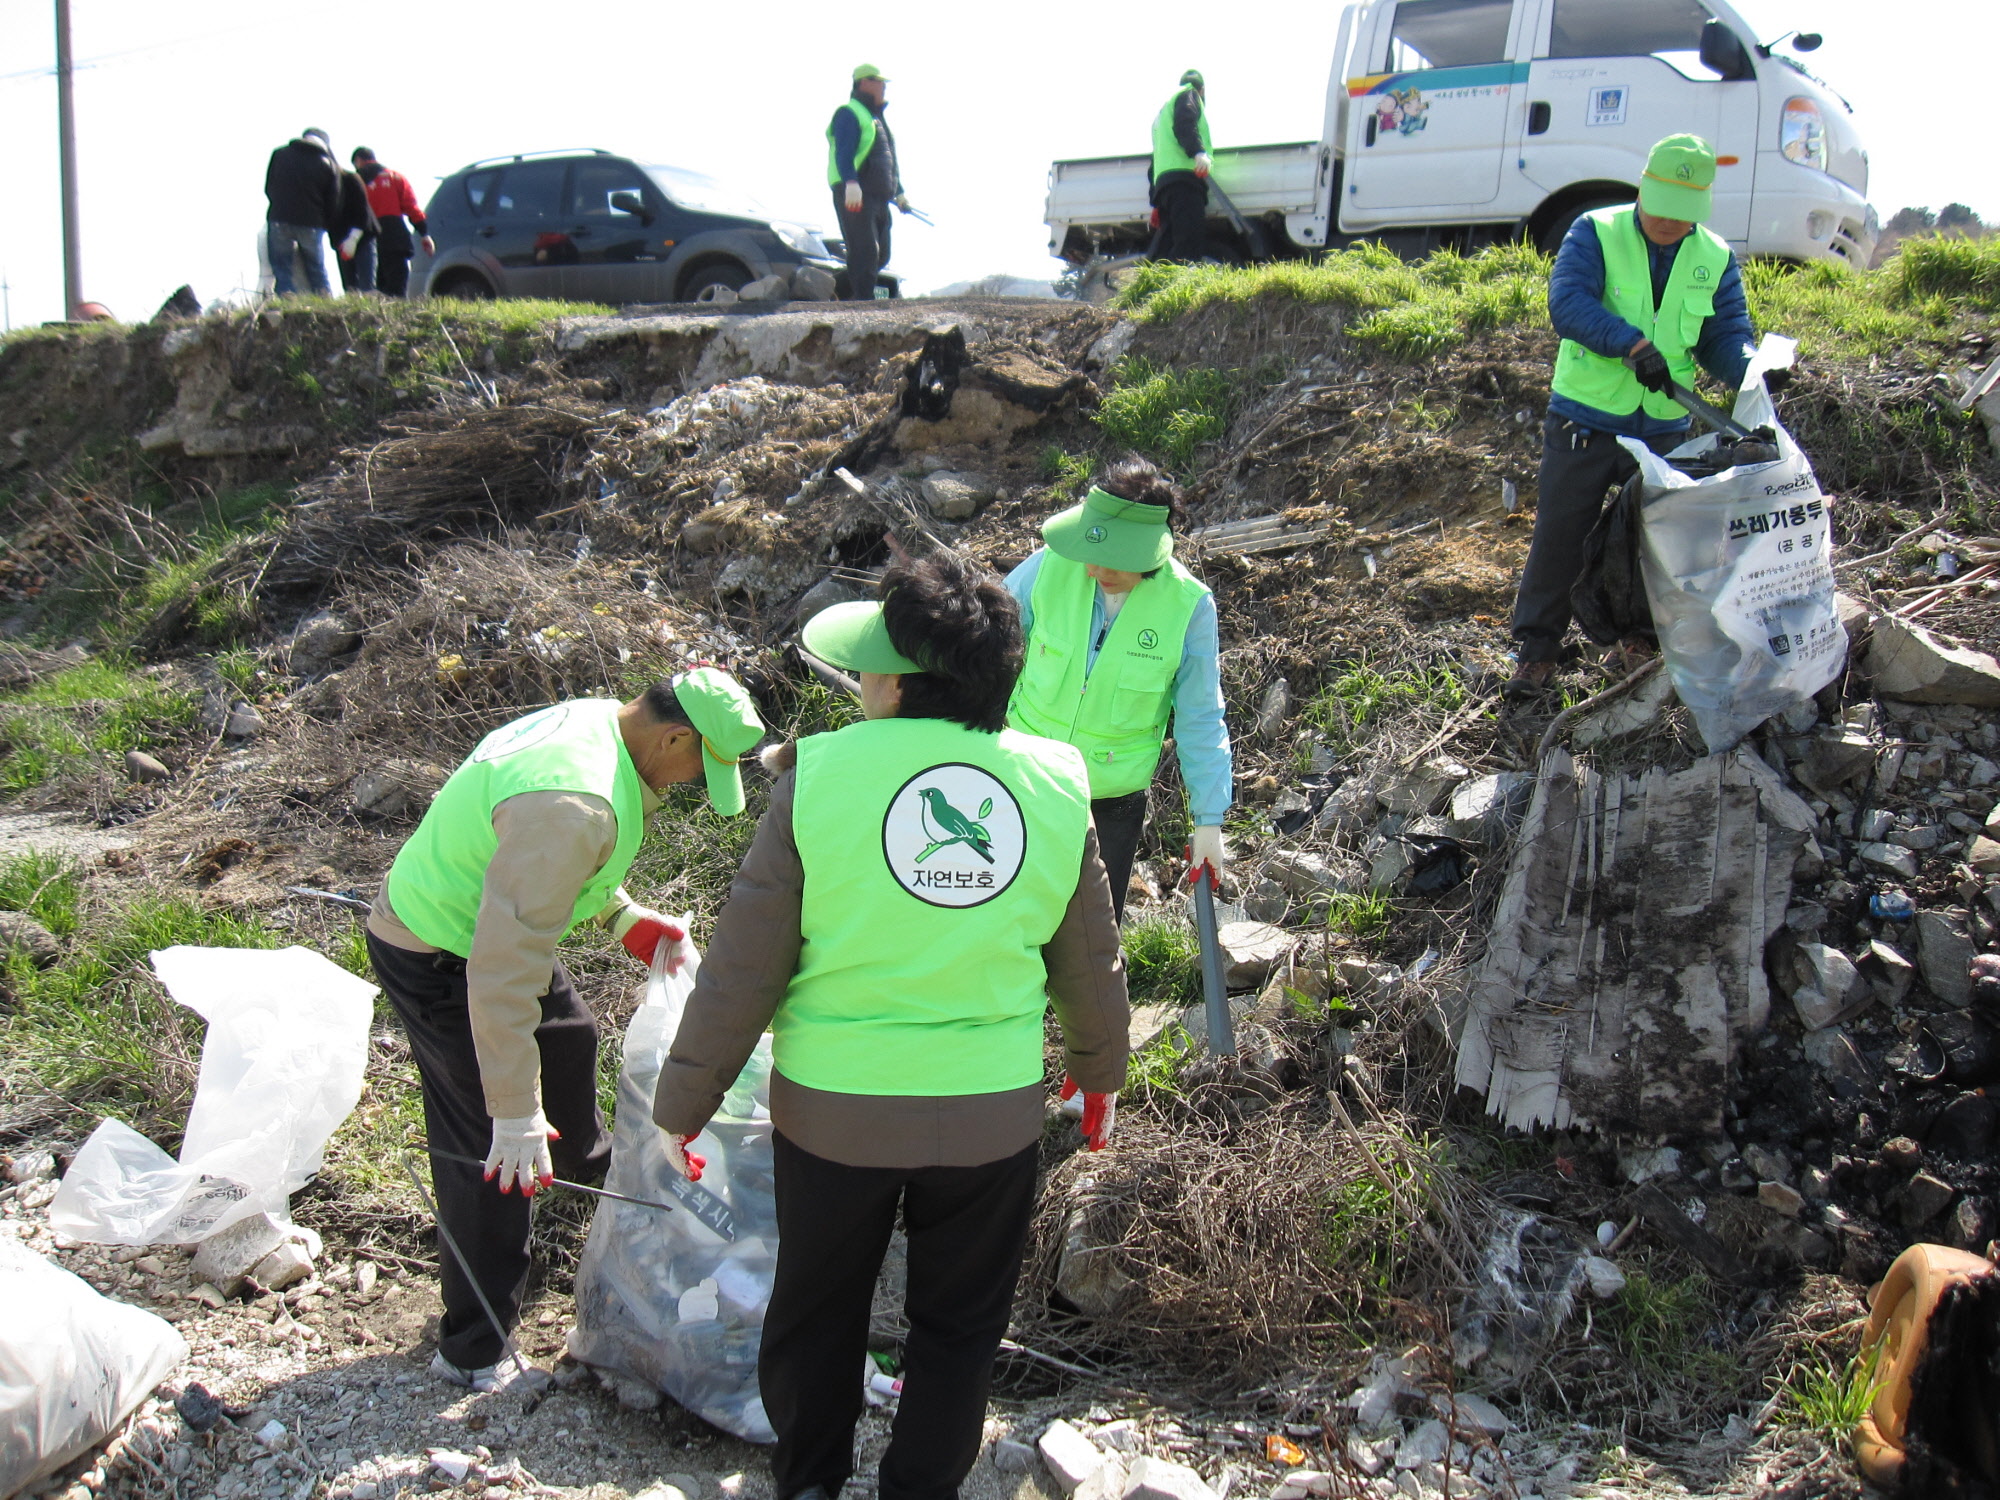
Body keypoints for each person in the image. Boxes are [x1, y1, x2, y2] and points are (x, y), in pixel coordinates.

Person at [654, 552, 1128, 1500]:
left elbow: (748, 964)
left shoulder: (820, 772)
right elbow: (1088, 954)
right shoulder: (1055, 780)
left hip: (835, 1117)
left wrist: (685, 1098)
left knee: (818, 1313)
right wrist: (1098, 1070)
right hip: (991, 1120)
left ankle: (812, 1484)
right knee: (959, 1329)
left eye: (872, 663)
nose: (862, 679)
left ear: (902, 681)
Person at [367, 670, 766, 1390]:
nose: (690, 784)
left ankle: (581, 1175)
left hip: (490, 928)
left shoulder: (599, 724)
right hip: (440, 954)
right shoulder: (574, 801)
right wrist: (515, 1112)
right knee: (486, 1154)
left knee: (571, 1038)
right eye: (697, 767)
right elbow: (498, 973)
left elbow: (536, 864)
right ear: (674, 735)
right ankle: (473, 1348)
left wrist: (621, 916)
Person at [1504, 133, 1761, 699]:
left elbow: (1724, 335)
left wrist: (1750, 367)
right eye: (1661, 208)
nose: (1670, 223)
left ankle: (1638, 642)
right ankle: (1537, 652)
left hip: (1664, 427)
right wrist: (1630, 345)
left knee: (1657, 542)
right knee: (1561, 535)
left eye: (1683, 214)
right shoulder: (1595, 231)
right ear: (1645, 188)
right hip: (1586, 420)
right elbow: (1568, 303)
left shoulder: (1714, 256)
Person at [1004, 456, 1232, 919]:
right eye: (1091, 552)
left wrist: (1208, 821)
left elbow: (1200, 716)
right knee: (1008, 919)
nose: (1093, 569)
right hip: (1020, 781)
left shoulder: (1188, 607)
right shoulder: (1049, 568)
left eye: (1112, 559)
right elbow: (985, 643)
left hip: (1110, 804)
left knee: (1090, 935)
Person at [826, 64, 915, 301]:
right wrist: (850, 183)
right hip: (856, 193)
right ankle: (862, 303)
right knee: (865, 251)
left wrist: (899, 193)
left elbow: (886, 160)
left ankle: (835, 289)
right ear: (864, 82)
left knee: (881, 254)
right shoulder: (849, 112)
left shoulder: (876, 118)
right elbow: (844, 152)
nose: (884, 86)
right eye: (879, 81)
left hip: (878, 196)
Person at [264, 128, 342, 296]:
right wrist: (325, 222)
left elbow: (269, 187)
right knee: (316, 267)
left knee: (282, 266)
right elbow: (333, 199)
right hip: (312, 222)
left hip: (280, 217)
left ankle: (286, 296)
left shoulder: (280, 154)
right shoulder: (327, 163)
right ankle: (323, 298)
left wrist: (278, 205)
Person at [353, 147, 435, 298]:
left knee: (377, 288)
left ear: (358, 161)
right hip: (394, 234)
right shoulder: (395, 177)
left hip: (366, 238)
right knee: (397, 289)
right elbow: (411, 208)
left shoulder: (354, 182)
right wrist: (424, 233)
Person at [1149, 70, 1213, 262]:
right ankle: (1184, 283)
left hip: (1165, 186)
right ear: (1201, 89)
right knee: (1188, 241)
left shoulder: (1161, 115)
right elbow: (1185, 125)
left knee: (1170, 244)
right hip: (1184, 180)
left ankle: (1164, 284)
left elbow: (1155, 161)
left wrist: (1155, 203)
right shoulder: (1189, 94)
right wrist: (1198, 152)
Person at [332, 164, 382, 294]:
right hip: (341, 237)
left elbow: (363, 212)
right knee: (350, 285)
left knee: (367, 285)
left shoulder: (351, 179)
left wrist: (353, 237)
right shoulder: (324, 185)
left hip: (363, 234)